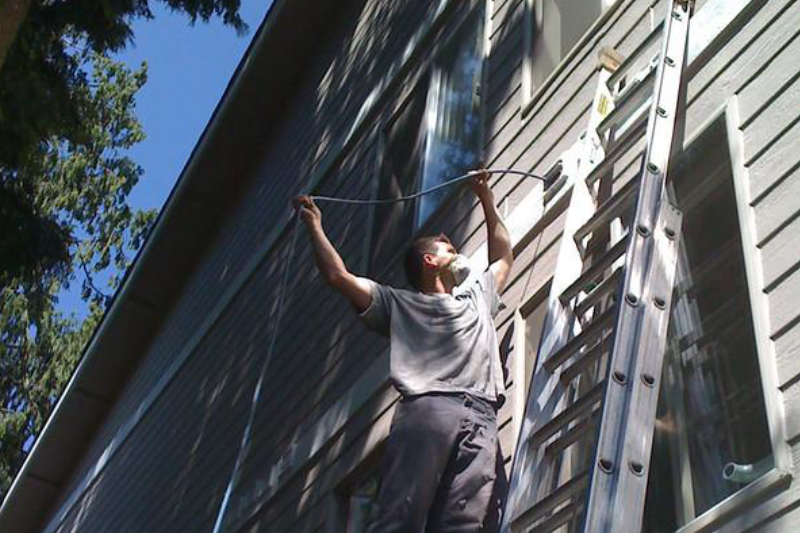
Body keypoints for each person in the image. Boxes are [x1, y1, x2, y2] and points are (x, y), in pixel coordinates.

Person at [293, 169, 513, 533]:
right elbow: (339, 277)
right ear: (430, 261)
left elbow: (503, 256)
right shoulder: (397, 304)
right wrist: (314, 225)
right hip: (430, 408)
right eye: (448, 248)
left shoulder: (478, 296)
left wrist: (486, 199)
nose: (456, 251)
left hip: (483, 415)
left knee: (464, 522)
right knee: (401, 514)